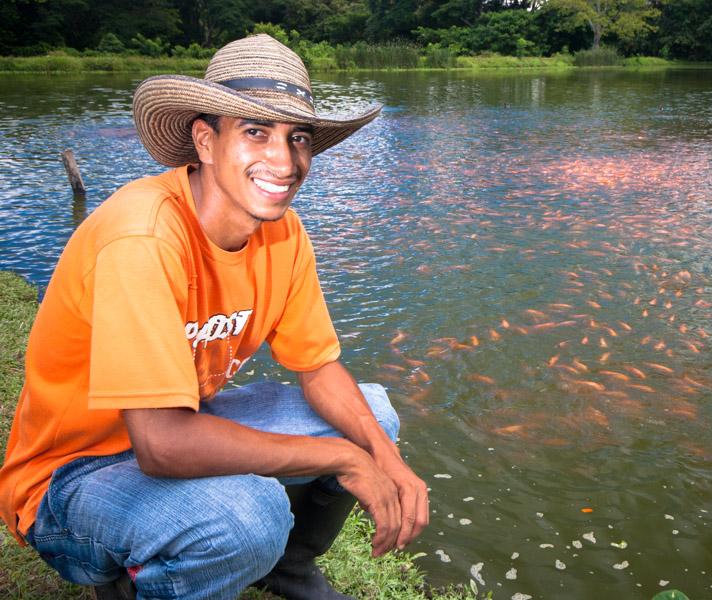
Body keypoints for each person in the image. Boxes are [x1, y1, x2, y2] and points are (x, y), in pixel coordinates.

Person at [0, 34, 428, 600]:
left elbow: (319, 368)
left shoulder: (282, 231)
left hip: (177, 419)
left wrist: (387, 461)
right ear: (205, 140)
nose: (284, 160)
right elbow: (162, 445)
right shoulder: (143, 236)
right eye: (256, 132)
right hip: (71, 478)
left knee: (374, 417)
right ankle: (136, 577)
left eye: (297, 137)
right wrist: (345, 457)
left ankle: (290, 569)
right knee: (247, 517)